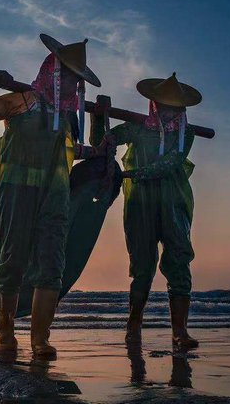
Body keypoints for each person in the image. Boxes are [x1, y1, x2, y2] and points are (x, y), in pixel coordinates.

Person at [0, 33, 100, 357]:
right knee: (13, 262)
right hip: (16, 192)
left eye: (77, 81)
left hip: (54, 197)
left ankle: (40, 339)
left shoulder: (66, 117)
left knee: (52, 265)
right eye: (67, 76)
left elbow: (67, 150)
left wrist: (95, 152)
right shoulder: (20, 100)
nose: (72, 85)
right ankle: (6, 334)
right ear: (52, 70)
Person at [83, 73, 202, 349]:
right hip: (140, 204)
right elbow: (104, 142)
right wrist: (100, 116)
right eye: (164, 104)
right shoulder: (138, 128)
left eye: (174, 106)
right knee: (143, 264)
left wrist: (134, 173)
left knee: (179, 260)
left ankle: (179, 331)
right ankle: (134, 324)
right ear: (154, 104)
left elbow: (172, 162)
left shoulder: (187, 133)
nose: (169, 110)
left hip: (174, 202)